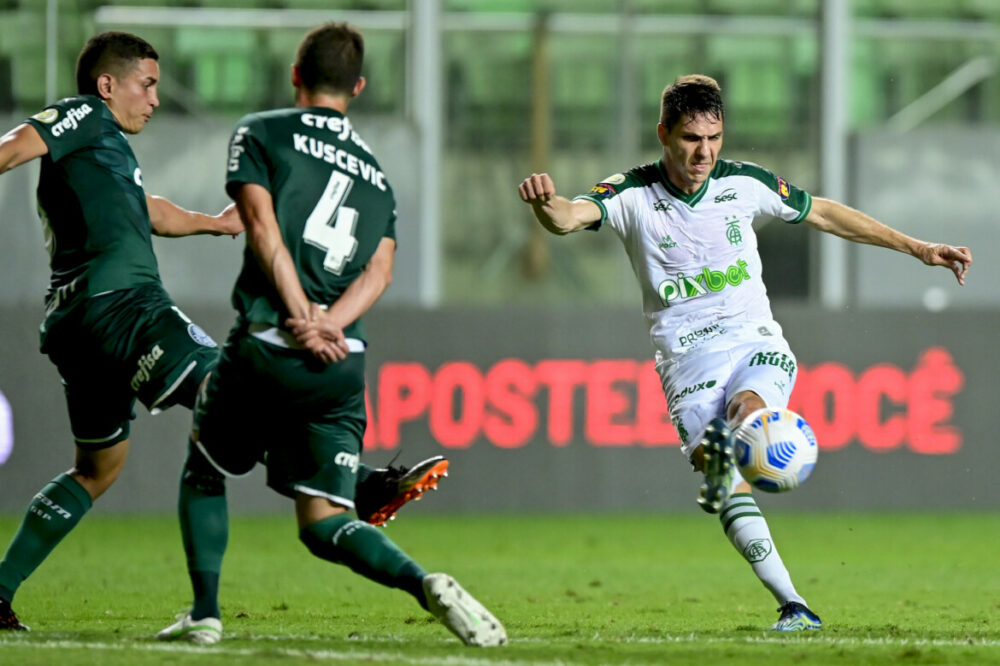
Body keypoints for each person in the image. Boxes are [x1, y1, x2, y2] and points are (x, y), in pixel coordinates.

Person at [0, 31, 444, 633]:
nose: (154, 100)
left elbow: (148, 209)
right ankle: (358, 488)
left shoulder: (102, 153)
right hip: (122, 302)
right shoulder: (82, 113)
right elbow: (9, 148)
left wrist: (213, 224)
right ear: (108, 85)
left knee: (97, 469)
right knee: (228, 383)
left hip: (75, 323)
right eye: (147, 84)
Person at [517, 74, 971, 632]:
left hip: (754, 340)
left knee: (751, 411)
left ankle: (733, 442)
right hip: (685, 360)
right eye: (689, 139)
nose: (703, 152)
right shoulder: (632, 193)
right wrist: (545, 206)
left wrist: (920, 248)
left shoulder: (745, 184)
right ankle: (794, 605)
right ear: (663, 134)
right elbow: (568, 217)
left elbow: (825, 213)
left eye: (713, 138)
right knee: (725, 476)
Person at [155, 23, 506, 648]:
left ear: (295, 73)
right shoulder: (375, 173)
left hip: (270, 340)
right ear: (359, 87)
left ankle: (204, 614)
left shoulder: (261, 131)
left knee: (205, 468)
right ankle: (427, 584)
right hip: (344, 362)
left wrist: (301, 316)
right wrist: (333, 325)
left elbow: (262, 230)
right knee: (323, 522)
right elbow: (381, 270)